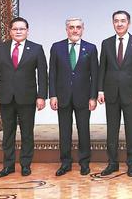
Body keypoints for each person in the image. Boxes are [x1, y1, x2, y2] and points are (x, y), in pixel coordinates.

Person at [0, 17, 48, 177]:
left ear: (27, 31)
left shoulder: (36, 49)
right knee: (8, 133)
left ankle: (26, 165)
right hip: (6, 98)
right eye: (15, 29)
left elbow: (42, 74)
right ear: (10, 31)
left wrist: (42, 96)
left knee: (27, 133)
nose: (18, 31)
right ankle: (8, 166)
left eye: (22, 29)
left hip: (27, 98)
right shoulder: (0, 48)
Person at [97, 10, 132, 177]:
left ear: (129, 23)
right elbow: (101, 69)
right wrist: (100, 90)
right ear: (113, 23)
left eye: (123, 21)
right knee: (112, 130)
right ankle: (112, 163)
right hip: (110, 93)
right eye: (116, 21)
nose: (119, 24)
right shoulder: (106, 43)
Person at [49, 17, 98, 176]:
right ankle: (65, 163)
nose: (75, 30)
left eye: (78, 27)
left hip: (83, 97)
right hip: (62, 96)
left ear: (83, 29)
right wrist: (53, 95)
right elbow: (53, 74)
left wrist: (93, 97)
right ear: (66, 30)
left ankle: (84, 163)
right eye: (71, 27)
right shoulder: (57, 47)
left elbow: (95, 76)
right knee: (64, 131)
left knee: (84, 130)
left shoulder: (90, 48)